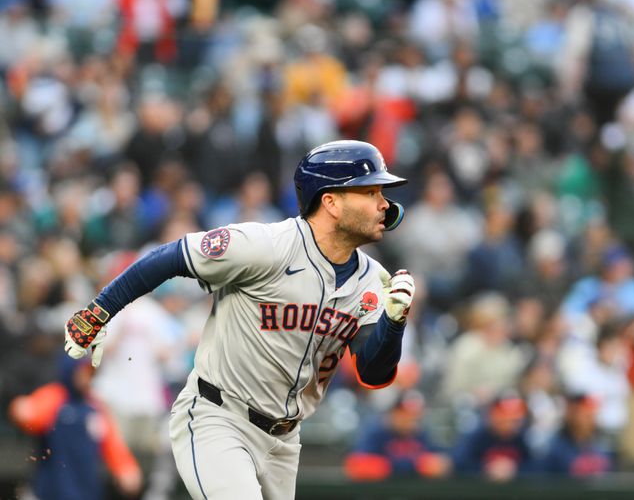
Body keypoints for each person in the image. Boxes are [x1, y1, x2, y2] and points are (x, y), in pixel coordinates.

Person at [63, 140, 417, 499]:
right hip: (219, 418)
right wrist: (99, 311)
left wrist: (394, 322)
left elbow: (374, 374)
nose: (384, 204)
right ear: (331, 202)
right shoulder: (266, 245)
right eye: (370, 191)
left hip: (285, 442)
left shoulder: (373, 282)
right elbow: (171, 256)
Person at [8, 356, 142, 500]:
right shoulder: (54, 396)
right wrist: (19, 409)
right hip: (50, 490)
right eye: (83, 371)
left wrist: (125, 468)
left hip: (86, 490)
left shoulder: (95, 407)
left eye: (90, 373)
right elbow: (30, 416)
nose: (86, 377)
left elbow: (112, 444)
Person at [344, 390, 451, 481]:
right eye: (406, 414)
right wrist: (417, 466)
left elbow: (439, 461)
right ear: (394, 412)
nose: (412, 419)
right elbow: (358, 465)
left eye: (416, 415)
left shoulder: (421, 433)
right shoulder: (376, 432)